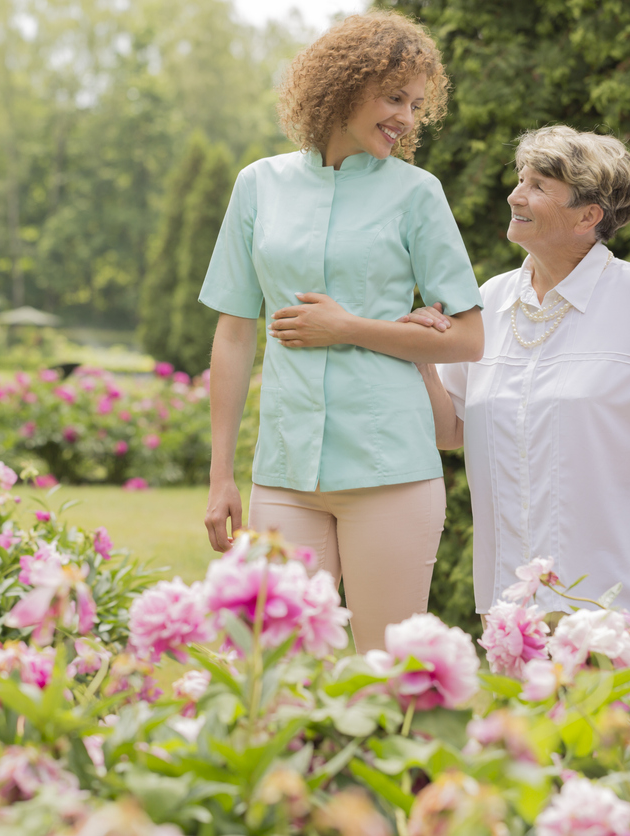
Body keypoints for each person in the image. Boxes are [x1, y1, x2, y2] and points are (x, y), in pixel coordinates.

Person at [198, 11, 485, 652]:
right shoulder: (258, 185)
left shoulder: (417, 194)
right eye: (392, 97)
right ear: (342, 87)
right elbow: (235, 334)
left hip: (391, 469)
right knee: (276, 669)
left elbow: (468, 337)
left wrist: (349, 328)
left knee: (384, 672)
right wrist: (222, 476)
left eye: (415, 103)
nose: (407, 118)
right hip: (283, 471)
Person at [405, 125, 630, 621]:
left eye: (537, 186)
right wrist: (423, 359)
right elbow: (451, 429)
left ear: (588, 216)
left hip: (614, 604)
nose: (515, 195)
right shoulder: (490, 300)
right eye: (520, 179)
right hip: (510, 603)